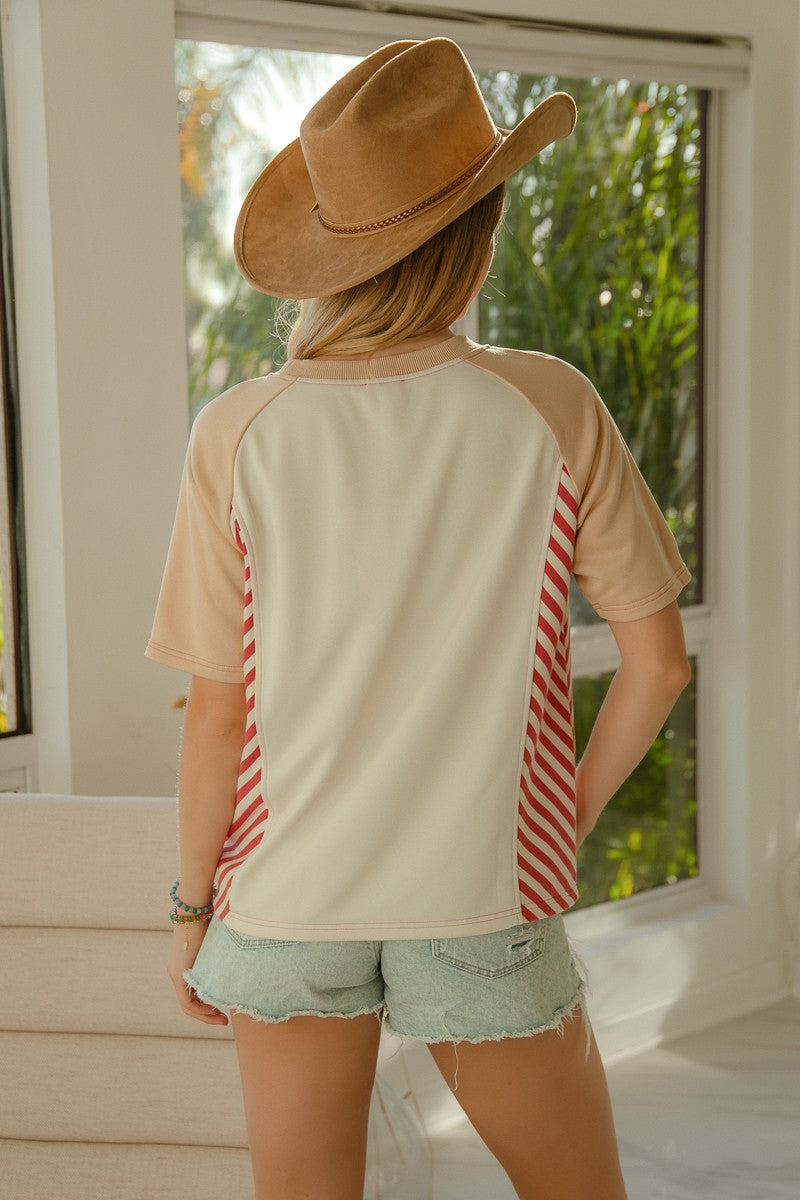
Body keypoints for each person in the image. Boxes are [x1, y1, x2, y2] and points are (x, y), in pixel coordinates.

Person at [146, 37, 692, 1200]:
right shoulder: (548, 404)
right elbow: (657, 665)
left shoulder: (236, 433)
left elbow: (215, 714)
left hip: (285, 902)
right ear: (480, 231)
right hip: (485, 890)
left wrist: (192, 910)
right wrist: (560, 822)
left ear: (329, 255)